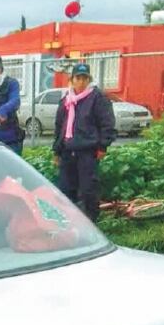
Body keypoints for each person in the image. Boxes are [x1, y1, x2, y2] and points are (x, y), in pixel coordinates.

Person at [52, 62, 116, 223]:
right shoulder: (66, 100)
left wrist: (103, 146)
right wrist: (57, 151)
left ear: (89, 80)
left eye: (84, 78)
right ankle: (68, 223)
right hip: (68, 151)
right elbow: (59, 126)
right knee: (66, 189)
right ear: (72, 80)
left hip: (88, 151)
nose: (81, 82)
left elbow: (107, 123)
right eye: (78, 78)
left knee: (88, 190)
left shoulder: (97, 98)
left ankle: (91, 223)